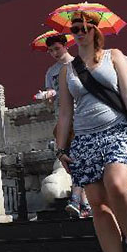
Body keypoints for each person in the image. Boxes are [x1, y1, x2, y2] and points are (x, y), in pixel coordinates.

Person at [54, 11, 127, 252]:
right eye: (74, 28)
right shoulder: (67, 70)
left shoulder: (115, 56)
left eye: (84, 27)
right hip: (84, 139)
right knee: (98, 204)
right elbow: (65, 113)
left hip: (117, 130)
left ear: (96, 30)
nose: (79, 32)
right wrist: (60, 149)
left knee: (117, 184)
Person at [40, 35, 91, 219]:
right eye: (50, 51)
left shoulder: (78, 64)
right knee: (73, 159)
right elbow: (50, 103)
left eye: (57, 48)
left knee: (81, 157)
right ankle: (82, 202)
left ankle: (80, 200)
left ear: (65, 46)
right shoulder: (50, 72)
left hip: (82, 116)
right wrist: (47, 99)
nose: (54, 53)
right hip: (62, 120)